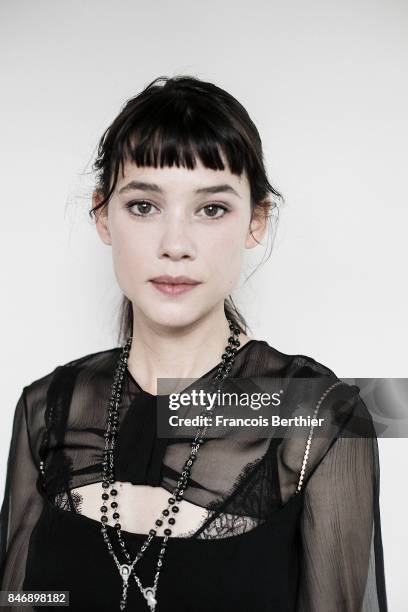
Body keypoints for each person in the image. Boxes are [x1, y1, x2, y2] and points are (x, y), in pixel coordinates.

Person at [0, 75, 388, 611]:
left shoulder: (320, 414)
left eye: (211, 209)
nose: (175, 245)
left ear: (255, 221)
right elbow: (25, 600)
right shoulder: (48, 406)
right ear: (102, 215)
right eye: (143, 206)